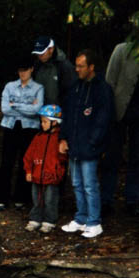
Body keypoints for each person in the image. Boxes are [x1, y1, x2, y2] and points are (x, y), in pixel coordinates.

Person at [60, 49, 114, 239]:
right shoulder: (75, 87)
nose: (77, 69)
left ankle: (94, 221)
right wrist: (63, 138)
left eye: (81, 66)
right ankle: (81, 218)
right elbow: (67, 115)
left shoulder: (102, 89)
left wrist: (94, 142)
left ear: (91, 67)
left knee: (90, 184)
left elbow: (103, 119)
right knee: (76, 183)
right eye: (76, 65)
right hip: (74, 144)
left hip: (89, 146)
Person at [0, 57, 44, 210]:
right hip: (10, 127)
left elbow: (36, 110)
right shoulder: (9, 86)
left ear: (32, 69)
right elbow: (5, 109)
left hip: (29, 128)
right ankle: (1, 199)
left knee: (25, 162)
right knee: (7, 162)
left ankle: (21, 198)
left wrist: (15, 105)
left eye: (26, 70)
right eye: (20, 70)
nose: (23, 73)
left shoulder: (38, 88)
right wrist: (26, 105)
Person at [99, 33, 139, 218]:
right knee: (111, 158)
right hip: (118, 113)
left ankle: (133, 200)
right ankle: (106, 200)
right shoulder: (122, 50)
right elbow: (109, 82)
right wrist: (107, 114)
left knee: (136, 159)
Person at [23, 105, 67, 232]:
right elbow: (29, 155)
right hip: (37, 174)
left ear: (55, 122)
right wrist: (29, 170)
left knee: (50, 200)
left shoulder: (59, 139)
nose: (42, 124)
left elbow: (63, 160)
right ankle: (35, 219)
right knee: (36, 198)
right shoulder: (38, 137)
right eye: (41, 121)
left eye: (45, 122)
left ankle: (49, 221)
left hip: (52, 176)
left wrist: (61, 159)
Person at [31, 36, 77, 106]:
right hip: (38, 110)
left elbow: (71, 92)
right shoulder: (37, 65)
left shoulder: (64, 66)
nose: (39, 56)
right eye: (37, 54)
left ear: (51, 49)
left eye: (42, 53)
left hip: (57, 112)